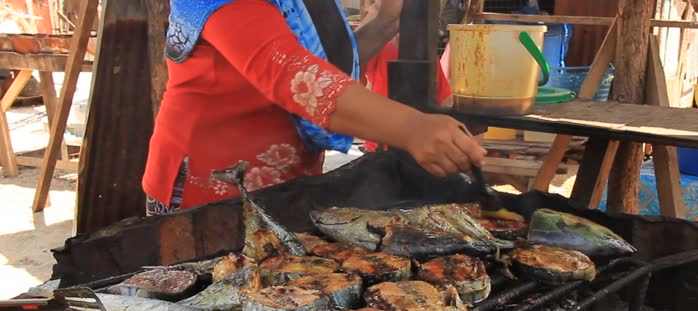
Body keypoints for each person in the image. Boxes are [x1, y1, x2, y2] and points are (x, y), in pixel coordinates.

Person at [143, 0, 485, 215]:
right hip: (206, 190)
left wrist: (382, 25)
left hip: (285, 184)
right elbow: (293, 75)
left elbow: (322, 67)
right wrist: (412, 128)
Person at [359, 0, 454, 154]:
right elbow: (353, 76)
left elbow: (444, 98)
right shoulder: (380, 47)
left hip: (415, 143)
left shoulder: (426, 54)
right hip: (383, 144)